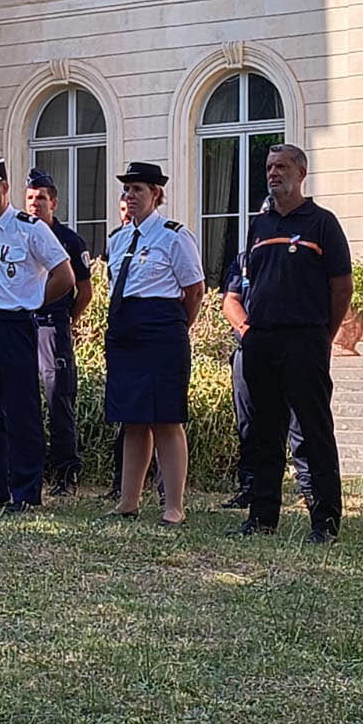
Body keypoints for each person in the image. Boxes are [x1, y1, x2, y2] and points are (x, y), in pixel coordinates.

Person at [233, 144, 352, 544]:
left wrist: (323, 335)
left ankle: (325, 521)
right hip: (262, 340)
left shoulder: (322, 223)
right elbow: (248, 283)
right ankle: (261, 516)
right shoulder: (259, 225)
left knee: (313, 431)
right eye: (269, 167)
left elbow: (342, 287)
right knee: (263, 432)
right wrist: (250, 332)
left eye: (282, 167)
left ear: (301, 173)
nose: (273, 173)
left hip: (304, 340)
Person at [0, 158, 74, 512]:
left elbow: (65, 275)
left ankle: (26, 491)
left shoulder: (29, 228)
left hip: (16, 324)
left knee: (22, 409)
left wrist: (32, 300)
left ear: (5, 189)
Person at [103, 161, 204, 526]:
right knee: (132, 419)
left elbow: (194, 291)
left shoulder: (174, 236)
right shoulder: (117, 239)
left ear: (156, 194)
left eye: (138, 190)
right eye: (126, 189)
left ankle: (173, 506)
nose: (129, 196)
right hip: (125, 333)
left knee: (166, 418)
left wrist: (175, 328)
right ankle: (128, 501)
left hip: (161, 332)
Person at [220, 252, 311, 510]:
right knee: (249, 423)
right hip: (249, 349)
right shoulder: (243, 260)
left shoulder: (298, 254)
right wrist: (250, 333)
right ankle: (250, 488)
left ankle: (309, 488)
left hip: (293, 349)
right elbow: (231, 300)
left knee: (300, 423)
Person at [24, 168, 93, 496]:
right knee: (23, 400)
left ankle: (66, 474)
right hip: (22, 325)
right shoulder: (18, 233)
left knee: (58, 399)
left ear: (54, 203)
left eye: (41, 198)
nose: (34, 204)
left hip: (53, 325)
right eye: (30, 198)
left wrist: (68, 320)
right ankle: (28, 470)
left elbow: (85, 291)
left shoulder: (69, 240)